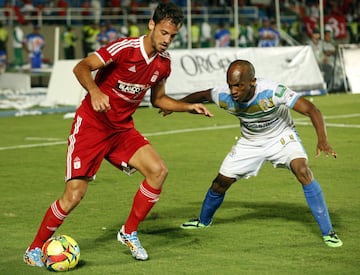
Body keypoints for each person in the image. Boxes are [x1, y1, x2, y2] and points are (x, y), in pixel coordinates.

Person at [23, 2, 213, 268]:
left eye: (172, 36)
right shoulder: (125, 48)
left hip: (121, 129)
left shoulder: (163, 64)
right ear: (151, 25)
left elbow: (158, 100)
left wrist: (187, 107)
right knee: (74, 195)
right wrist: (95, 91)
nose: (167, 40)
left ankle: (129, 232)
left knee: (158, 171)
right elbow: (81, 67)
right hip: (92, 126)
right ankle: (33, 249)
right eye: (163, 33)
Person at [175, 60, 343, 248]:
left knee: (302, 170)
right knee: (220, 183)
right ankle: (203, 221)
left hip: (281, 136)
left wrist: (323, 140)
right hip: (250, 142)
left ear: (252, 81)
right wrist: (174, 105)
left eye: (239, 85)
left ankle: (328, 232)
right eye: (231, 85)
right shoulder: (224, 96)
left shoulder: (272, 91)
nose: (234, 91)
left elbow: (312, 109)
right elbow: (203, 95)